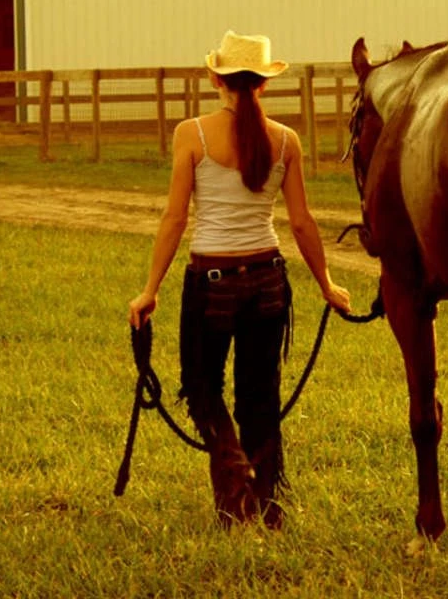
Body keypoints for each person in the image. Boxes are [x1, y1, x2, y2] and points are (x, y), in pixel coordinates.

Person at [128, 31, 351, 529]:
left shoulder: (193, 133)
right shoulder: (286, 140)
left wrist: (150, 290)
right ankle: (268, 503)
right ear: (264, 85)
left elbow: (174, 219)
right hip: (269, 280)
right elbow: (301, 222)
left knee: (203, 387)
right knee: (260, 394)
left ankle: (235, 484)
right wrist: (327, 284)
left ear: (215, 79)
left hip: (211, 281)